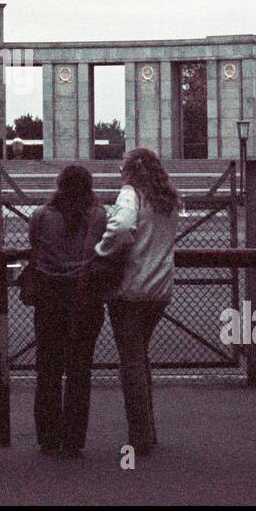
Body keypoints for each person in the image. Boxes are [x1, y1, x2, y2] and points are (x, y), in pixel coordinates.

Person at [96, 147, 180, 456]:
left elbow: (120, 228)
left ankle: (140, 435)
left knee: (131, 363)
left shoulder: (130, 194)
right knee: (139, 359)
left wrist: (100, 252)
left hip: (130, 291)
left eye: (122, 170)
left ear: (129, 171)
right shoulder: (168, 200)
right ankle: (149, 431)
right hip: (159, 292)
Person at [28, 165, 109, 458]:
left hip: (49, 298)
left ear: (58, 185)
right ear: (89, 186)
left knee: (47, 368)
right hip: (84, 298)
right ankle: (73, 440)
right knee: (79, 371)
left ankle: (48, 439)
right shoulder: (99, 215)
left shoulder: (40, 215)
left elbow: (34, 246)